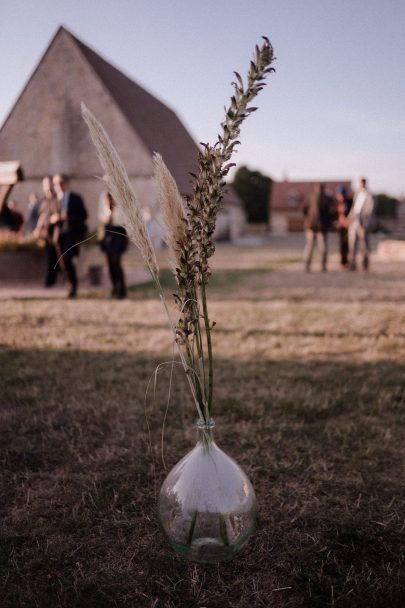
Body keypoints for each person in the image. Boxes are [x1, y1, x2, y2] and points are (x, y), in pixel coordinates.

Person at [52, 174, 88, 298]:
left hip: (72, 234)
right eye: (56, 183)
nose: (58, 186)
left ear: (67, 183)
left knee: (67, 259)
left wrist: (69, 218)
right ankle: (69, 285)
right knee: (62, 263)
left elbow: (84, 215)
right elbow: (48, 217)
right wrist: (54, 219)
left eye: (61, 183)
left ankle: (73, 286)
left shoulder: (75, 198)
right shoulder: (54, 200)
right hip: (59, 236)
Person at [98, 188, 128, 298]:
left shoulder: (122, 194)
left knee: (116, 261)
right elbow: (100, 214)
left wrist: (115, 217)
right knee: (110, 262)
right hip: (108, 230)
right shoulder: (103, 195)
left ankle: (122, 288)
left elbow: (126, 216)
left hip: (119, 230)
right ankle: (115, 286)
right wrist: (105, 218)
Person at [35, 176, 62, 287]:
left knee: (59, 258)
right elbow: (42, 216)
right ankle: (50, 282)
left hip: (57, 233)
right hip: (47, 234)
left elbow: (61, 213)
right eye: (46, 185)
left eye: (49, 184)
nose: (48, 187)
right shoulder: (44, 201)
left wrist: (57, 217)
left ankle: (57, 280)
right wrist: (38, 228)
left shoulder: (58, 199)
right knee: (50, 258)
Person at [302, 183, 333, 272]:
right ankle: (322, 266)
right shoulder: (327, 198)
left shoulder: (310, 197)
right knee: (321, 247)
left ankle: (307, 266)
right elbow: (332, 211)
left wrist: (308, 219)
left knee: (310, 246)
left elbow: (303, 209)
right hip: (320, 226)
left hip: (312, 225)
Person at [348, 178, 374, 271]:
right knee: (352, 243)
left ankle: (365, 264)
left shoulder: (369, 195)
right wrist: (350, 218)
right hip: (354, 221)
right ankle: (352, 264)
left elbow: (369, 210)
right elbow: (354, 207)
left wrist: (364, 221)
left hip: (362, 222)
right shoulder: (357, 193)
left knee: (364, 244)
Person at [336, 186, 353, 267]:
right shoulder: (337, 203)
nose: (340, 197)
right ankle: (343, 261)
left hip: (348, 226)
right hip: (341, 226)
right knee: (341, 244)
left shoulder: (349, 202)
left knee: (348, 244)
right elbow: (336, 214)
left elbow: (352, 213)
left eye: (342, 195)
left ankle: (349, 261)